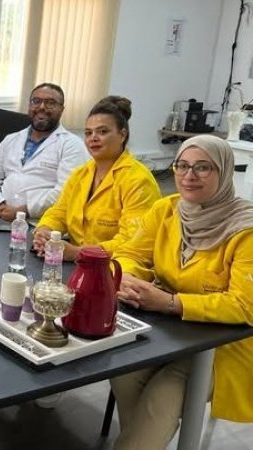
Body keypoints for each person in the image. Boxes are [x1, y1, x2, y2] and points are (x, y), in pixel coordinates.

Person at [111, 135, 253, 450]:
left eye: (203, 167)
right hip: (169, 331)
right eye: (182, 165)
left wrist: (171, 303)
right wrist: (129, 278)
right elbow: (128, 253)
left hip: (223, 345)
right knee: (123, 372)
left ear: (224, 172)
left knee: (163, 395)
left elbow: (244, 305)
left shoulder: (246, 229)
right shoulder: (167, 209)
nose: (189, 175)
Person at [32, 96, 160, 260]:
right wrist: (45, 230)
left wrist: (78, 253)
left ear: (122, 135)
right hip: (77, 264)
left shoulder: (138, 180)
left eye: (103, 132)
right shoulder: (80, 174)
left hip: (116, 267)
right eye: (88, 133)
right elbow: (59, 212)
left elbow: (133, 242)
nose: (93, 138)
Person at [0, 83, 88, 221]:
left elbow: (67, 191)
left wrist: (25, 210)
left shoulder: (72, 145)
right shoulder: (11, 139)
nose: (41, 107)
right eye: (36, 101)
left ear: (62, 109)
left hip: (41, 224)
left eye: (50, 103)